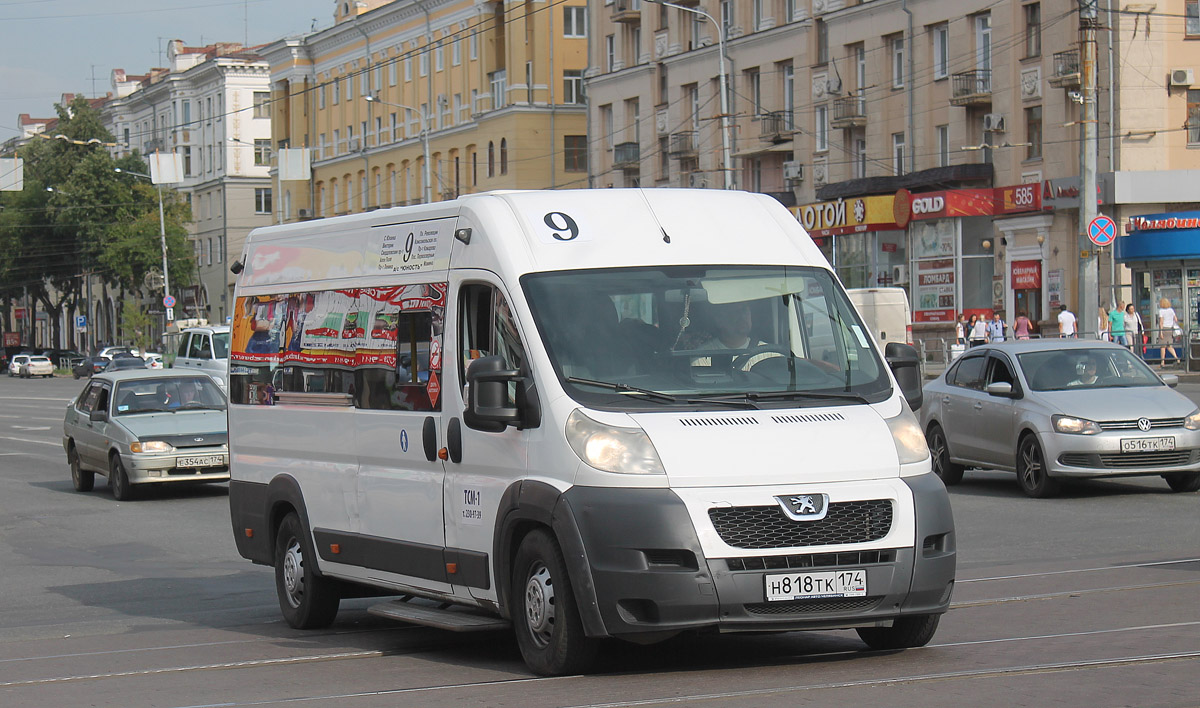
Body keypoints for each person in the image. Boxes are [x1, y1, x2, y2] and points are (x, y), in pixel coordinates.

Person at [1157, 297, 1180, 367]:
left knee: (1163, 346)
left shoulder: (1161, 311)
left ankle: (1162, 361)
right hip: (1170, 329)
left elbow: (1161, 322)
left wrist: (1160, 332)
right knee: (1169, 345)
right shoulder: (1171, 310)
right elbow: (1176, 319)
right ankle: (1177, 358)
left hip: (1164, 329)